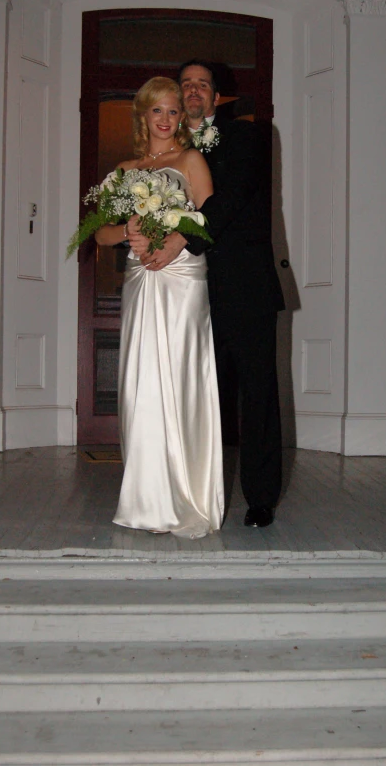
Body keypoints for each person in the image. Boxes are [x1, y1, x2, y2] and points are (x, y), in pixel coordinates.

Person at [138, 60, 285, 528]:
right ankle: (203, 496)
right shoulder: (171, 148)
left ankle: (261, 497)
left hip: (247, 285)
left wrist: (181, 237)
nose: (194, 91)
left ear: (216, 97)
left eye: (203, 84)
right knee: (204, 397)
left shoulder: (246, 136)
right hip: (190, 290)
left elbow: (234, 195)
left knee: (257, 392)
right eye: (187, 84)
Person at [95, 76, 224, 539]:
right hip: (140, 280)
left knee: (182, 380)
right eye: (158, 111)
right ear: (143, 116)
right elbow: (99, 233)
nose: (167, 119)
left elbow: (212, 220)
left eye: (173, 111)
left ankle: (187, 494)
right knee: (141, 384)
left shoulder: (191, 159)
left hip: (182, 279)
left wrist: (173, 233)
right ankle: (146, 499)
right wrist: (129, 228)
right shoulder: (126, 170)